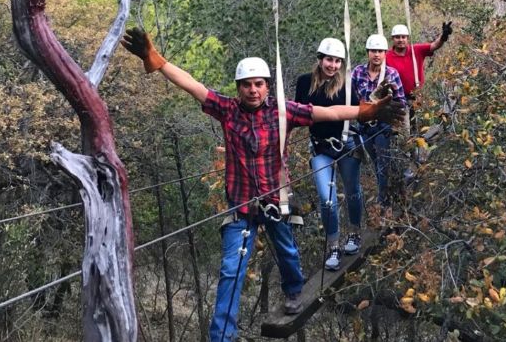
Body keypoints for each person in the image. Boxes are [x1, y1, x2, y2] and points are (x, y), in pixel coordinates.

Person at [120, 28, 403, 342]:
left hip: (273, 200)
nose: (253, 90)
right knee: (231, 269)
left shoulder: (283, 111)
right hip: (241, 205)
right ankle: (222, 336)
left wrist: (366, 112)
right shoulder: (227, 110)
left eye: (258, 84)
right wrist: (157, 61)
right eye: (247, 85)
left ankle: (294, 290)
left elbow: (331, 112)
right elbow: (193, 86)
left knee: (287, 251)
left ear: (267, 86)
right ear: (239, 88)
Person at [294, 38, 362, 271]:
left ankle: (354, 233)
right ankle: (333, 245)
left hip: (347, 143)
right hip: (320, 147)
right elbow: (297, 113)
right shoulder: (304, 83)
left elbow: (361, 111)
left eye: (336, 61)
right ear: (320, 59)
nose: (332, 65)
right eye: (329, 60)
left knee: (352, 191)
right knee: (327, 198)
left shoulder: (348, 85)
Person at [352, 34, 407, 207]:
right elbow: (350, 98)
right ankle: (393, 191)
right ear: (368, 52)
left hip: (384, 126)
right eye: (373, 51)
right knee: (377, 164)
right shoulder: (357, 73)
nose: (376, 54)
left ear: (385, 53)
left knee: (383, 164)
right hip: (365, 127)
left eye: (380, 51)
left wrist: (390, 108)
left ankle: (384, 204)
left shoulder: (391, 74)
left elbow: (402, 102)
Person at [385, 22, 452, 124]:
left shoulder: (416, 50)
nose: (401, 40)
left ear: (407, 38)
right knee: (401, 131)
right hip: (396, 100)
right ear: (392, 39)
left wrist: (443, 36)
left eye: (403, 37)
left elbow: (434, 45)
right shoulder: (386, 56)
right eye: (397, 37)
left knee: (419, 127)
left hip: (416, 98)